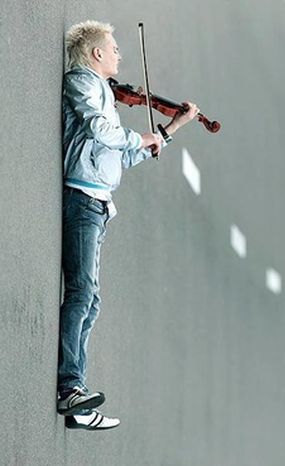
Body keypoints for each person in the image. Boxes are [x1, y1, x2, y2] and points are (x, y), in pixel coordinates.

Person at [58, 20, 199, 430]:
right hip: (83, 198)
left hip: (98, 203)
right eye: (115, 48)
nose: (119, 55)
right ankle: (70, 388)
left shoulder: (105, 93)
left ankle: (78, 405)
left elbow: (123, 156)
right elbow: (99, 130)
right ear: (97, 53)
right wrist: (140, 138)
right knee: (82, 293)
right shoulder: (83, 83)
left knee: (91, 300)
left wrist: (169, 130)